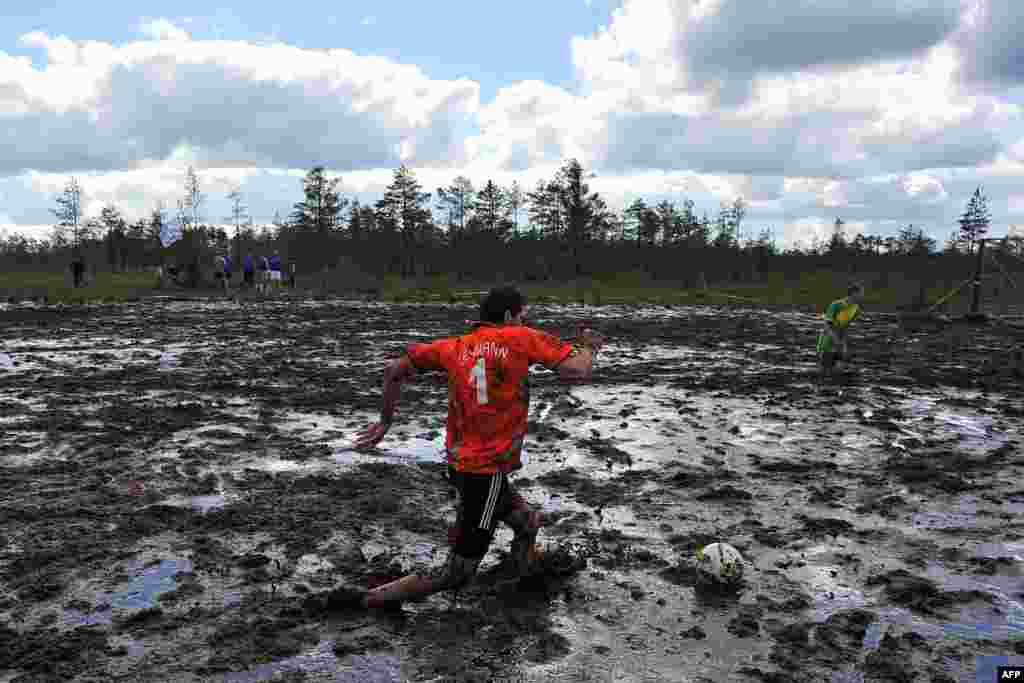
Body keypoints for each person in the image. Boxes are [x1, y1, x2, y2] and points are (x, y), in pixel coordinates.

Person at [324, 286, 606, 611]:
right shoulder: (521, 338)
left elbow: (393, 370)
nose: (524, 322)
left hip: (462, 467)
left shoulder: (453, 347)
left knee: (527, 523)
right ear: (508, 317)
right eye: (522, 317)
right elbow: (577, 370)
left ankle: (514, 585)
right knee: (456, 572)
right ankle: (364, 600)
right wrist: (589, 345)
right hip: (483, 476)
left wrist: (385, 422)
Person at [818, 283, 865, 378]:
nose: (862, 296)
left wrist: (844, 344)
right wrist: (835, 339)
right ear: (853, 293)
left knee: (839, 371)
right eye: (861, 293)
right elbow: (827, 325)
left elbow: (846, 327)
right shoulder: (835, 305)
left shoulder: (856, 309)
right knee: (825, 373)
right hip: (827, 342)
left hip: (840, 342)